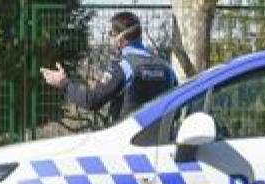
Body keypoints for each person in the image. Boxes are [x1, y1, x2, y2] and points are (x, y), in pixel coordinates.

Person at [40, 11, 176, 123]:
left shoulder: (123, 67)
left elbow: (92, 100)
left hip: (127, 143)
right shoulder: (167, 68)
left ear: (121, 38)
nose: (109, 38)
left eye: (111, 34)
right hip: (162, 144)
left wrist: (64, 83)